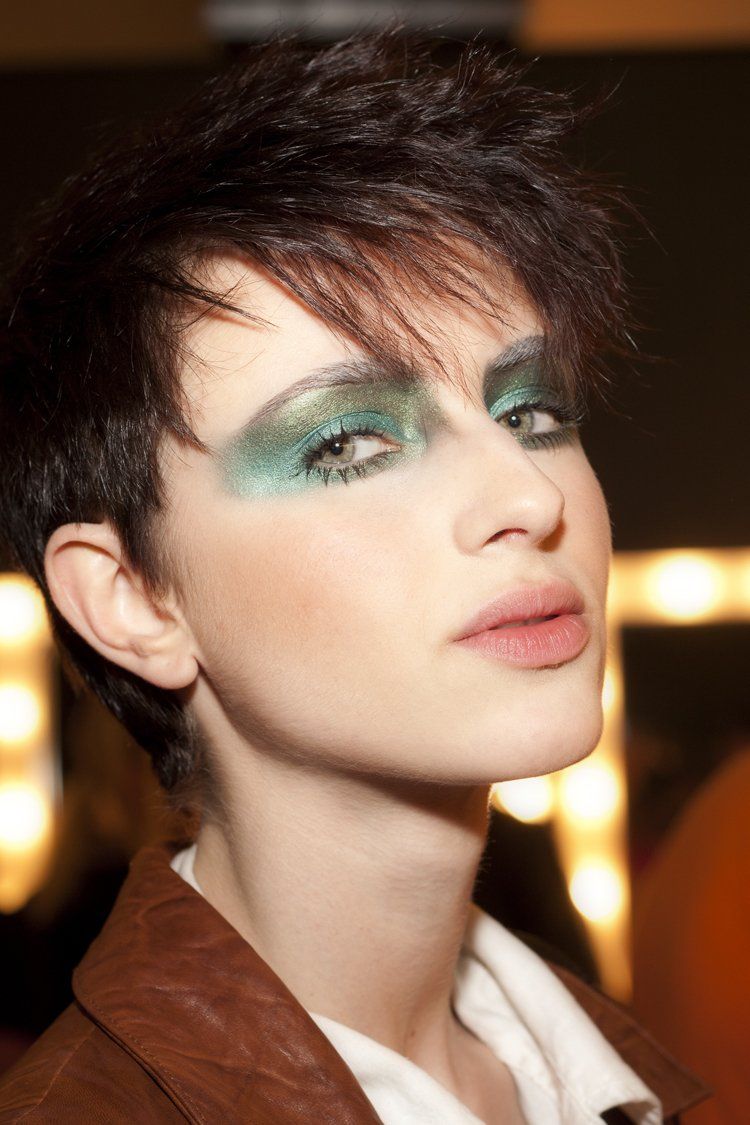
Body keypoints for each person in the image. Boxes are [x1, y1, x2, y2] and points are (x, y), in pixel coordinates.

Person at [0, 28, 708, 1124]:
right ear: (132, 598)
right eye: (347, 443)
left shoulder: (609, 1081)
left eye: (531, 411)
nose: (530, 495)